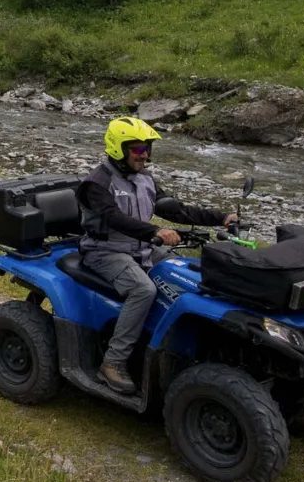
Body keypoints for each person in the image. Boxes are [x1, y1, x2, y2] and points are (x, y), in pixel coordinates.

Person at [77, 117, 237, 394]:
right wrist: (155, 231)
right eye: (138, 149)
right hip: (105, 252)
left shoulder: (145, 179)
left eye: (148, 148)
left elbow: (176, 210)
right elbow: (113, 219)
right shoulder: (97, 183)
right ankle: (112, 363)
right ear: (119, 148)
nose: (145, 155)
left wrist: (221, 217)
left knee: (187, 274)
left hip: (143, 248)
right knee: (143, 290)